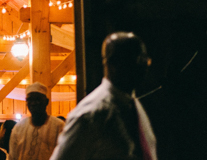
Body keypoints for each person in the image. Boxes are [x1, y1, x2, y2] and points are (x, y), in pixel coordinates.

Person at [50, 32, 157, 160]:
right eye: (139, 61)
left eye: (146, 61)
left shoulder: (132, 104)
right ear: (113, 64)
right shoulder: (91, 114)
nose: (144, 67)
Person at [9, 83, 64, 160]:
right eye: (30, 100)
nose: (33, 103)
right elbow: (13, 157)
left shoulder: (59, 126)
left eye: (37, 99)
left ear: (46, 102)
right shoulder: (18, 128)